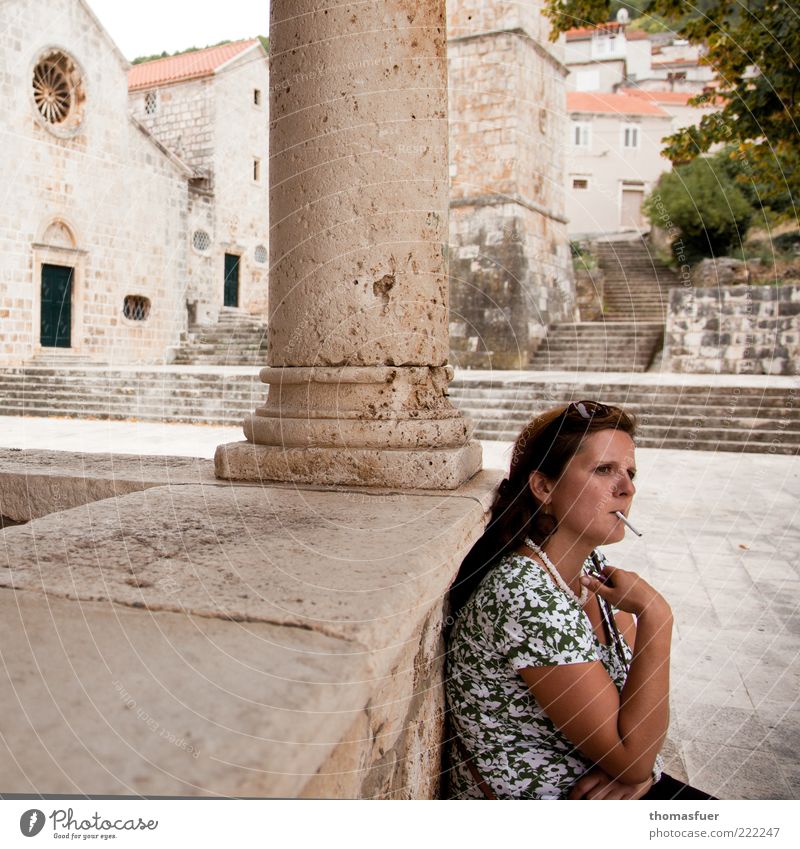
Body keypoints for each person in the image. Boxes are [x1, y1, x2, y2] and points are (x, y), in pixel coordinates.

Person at [444, 400, 715, 800]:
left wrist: (639, 774)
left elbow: (639, 718)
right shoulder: (527, 595)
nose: (627, 488)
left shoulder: (592, 567)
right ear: (544, 487)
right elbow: (634, 754)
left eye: (630, 472)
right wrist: (657, 614)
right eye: (604, 470)